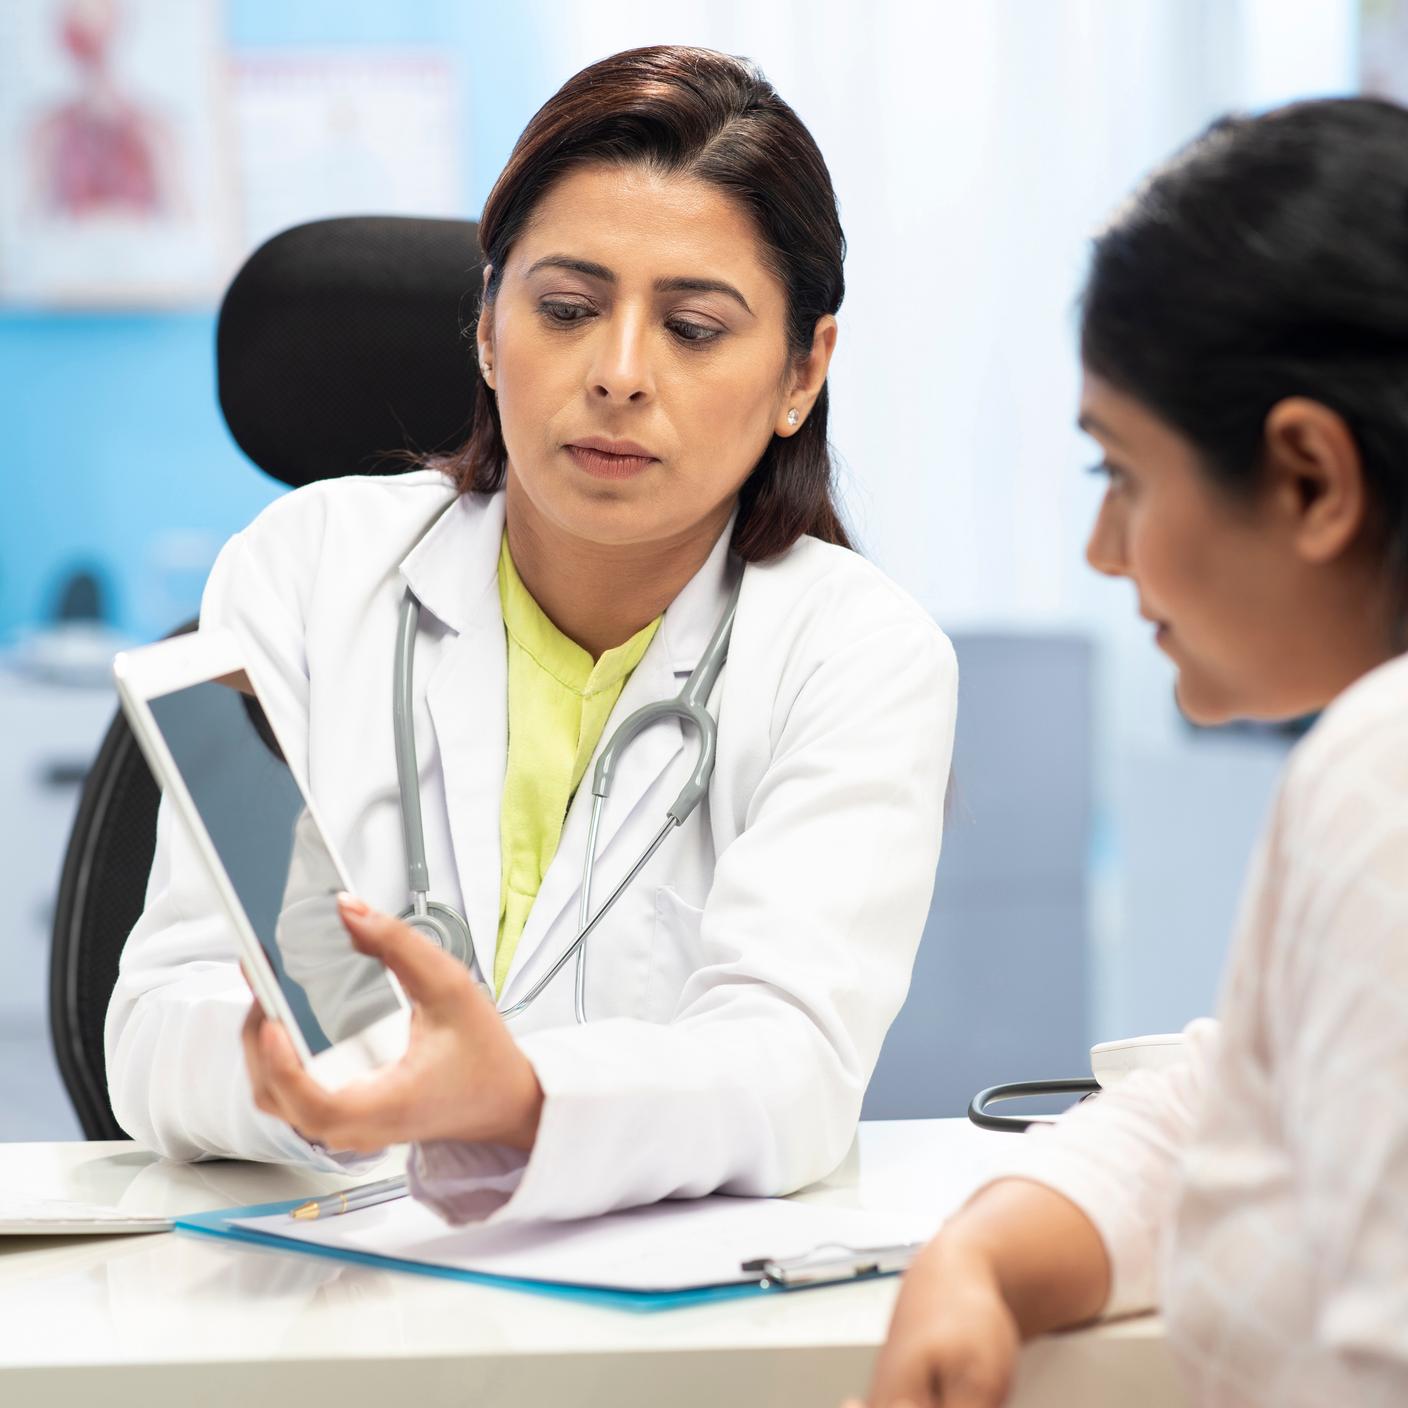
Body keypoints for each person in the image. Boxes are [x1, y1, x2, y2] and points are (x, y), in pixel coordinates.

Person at [105, 46, 957, 1226]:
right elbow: (157, 1016)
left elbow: (790, 1065)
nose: (617, 375)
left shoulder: (857, 652)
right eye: (565, 309)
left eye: (694, 329)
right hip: (316, 1295)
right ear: (489, 328)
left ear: (800, 371)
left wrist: (515, 1097)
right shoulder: (303, 570)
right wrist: (288, 1079)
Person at [857, 97, 1408, 1408]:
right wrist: (982, 1257)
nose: (1106, 552)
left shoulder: (1381, 776)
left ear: (1311, 481)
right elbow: (1234, 1101)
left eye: (1123, 475)